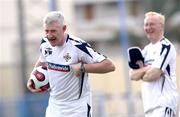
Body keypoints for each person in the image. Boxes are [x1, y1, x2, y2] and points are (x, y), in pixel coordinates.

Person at [27, 11, 115, 117]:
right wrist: (32, 78)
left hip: (77, 107)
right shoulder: (45, 43)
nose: (49, 35)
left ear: (64, 29)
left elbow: (109, 65)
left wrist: (83, 67)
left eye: (53, 31)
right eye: (46, 31)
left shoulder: (78, 46)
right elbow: (42, 61)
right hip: (54, 106)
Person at [129, 11, 179, 117]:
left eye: (151, 24)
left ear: (161, 26)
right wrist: (148, 68)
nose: (148, 27)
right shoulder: (146, 50)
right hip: (149, 106)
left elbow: (153, 75)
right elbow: (132, 75)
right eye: (146, 24)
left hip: (164, 104)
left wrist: (143, 72)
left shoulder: (166, 46)